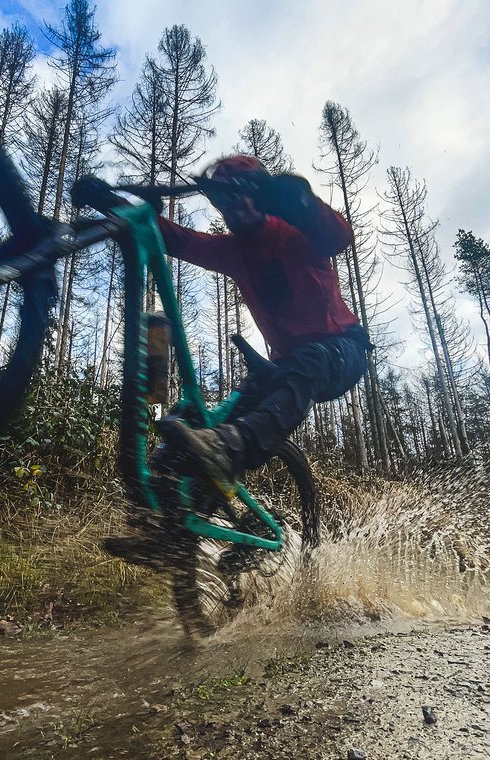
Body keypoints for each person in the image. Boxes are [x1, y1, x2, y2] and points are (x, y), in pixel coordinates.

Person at [105, 154, 371, 563]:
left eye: (243, 199)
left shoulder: (297, 233)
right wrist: (113, 203)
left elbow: (337, 236)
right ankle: (172, 529)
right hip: (282, 365)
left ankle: (235, 445)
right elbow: (174, 239)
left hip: (341, 350)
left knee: (301, 370)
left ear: (262, 198)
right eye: (225, 205)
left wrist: (298, 201)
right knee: (192, 428)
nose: (235, 212)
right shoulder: (233, 251)